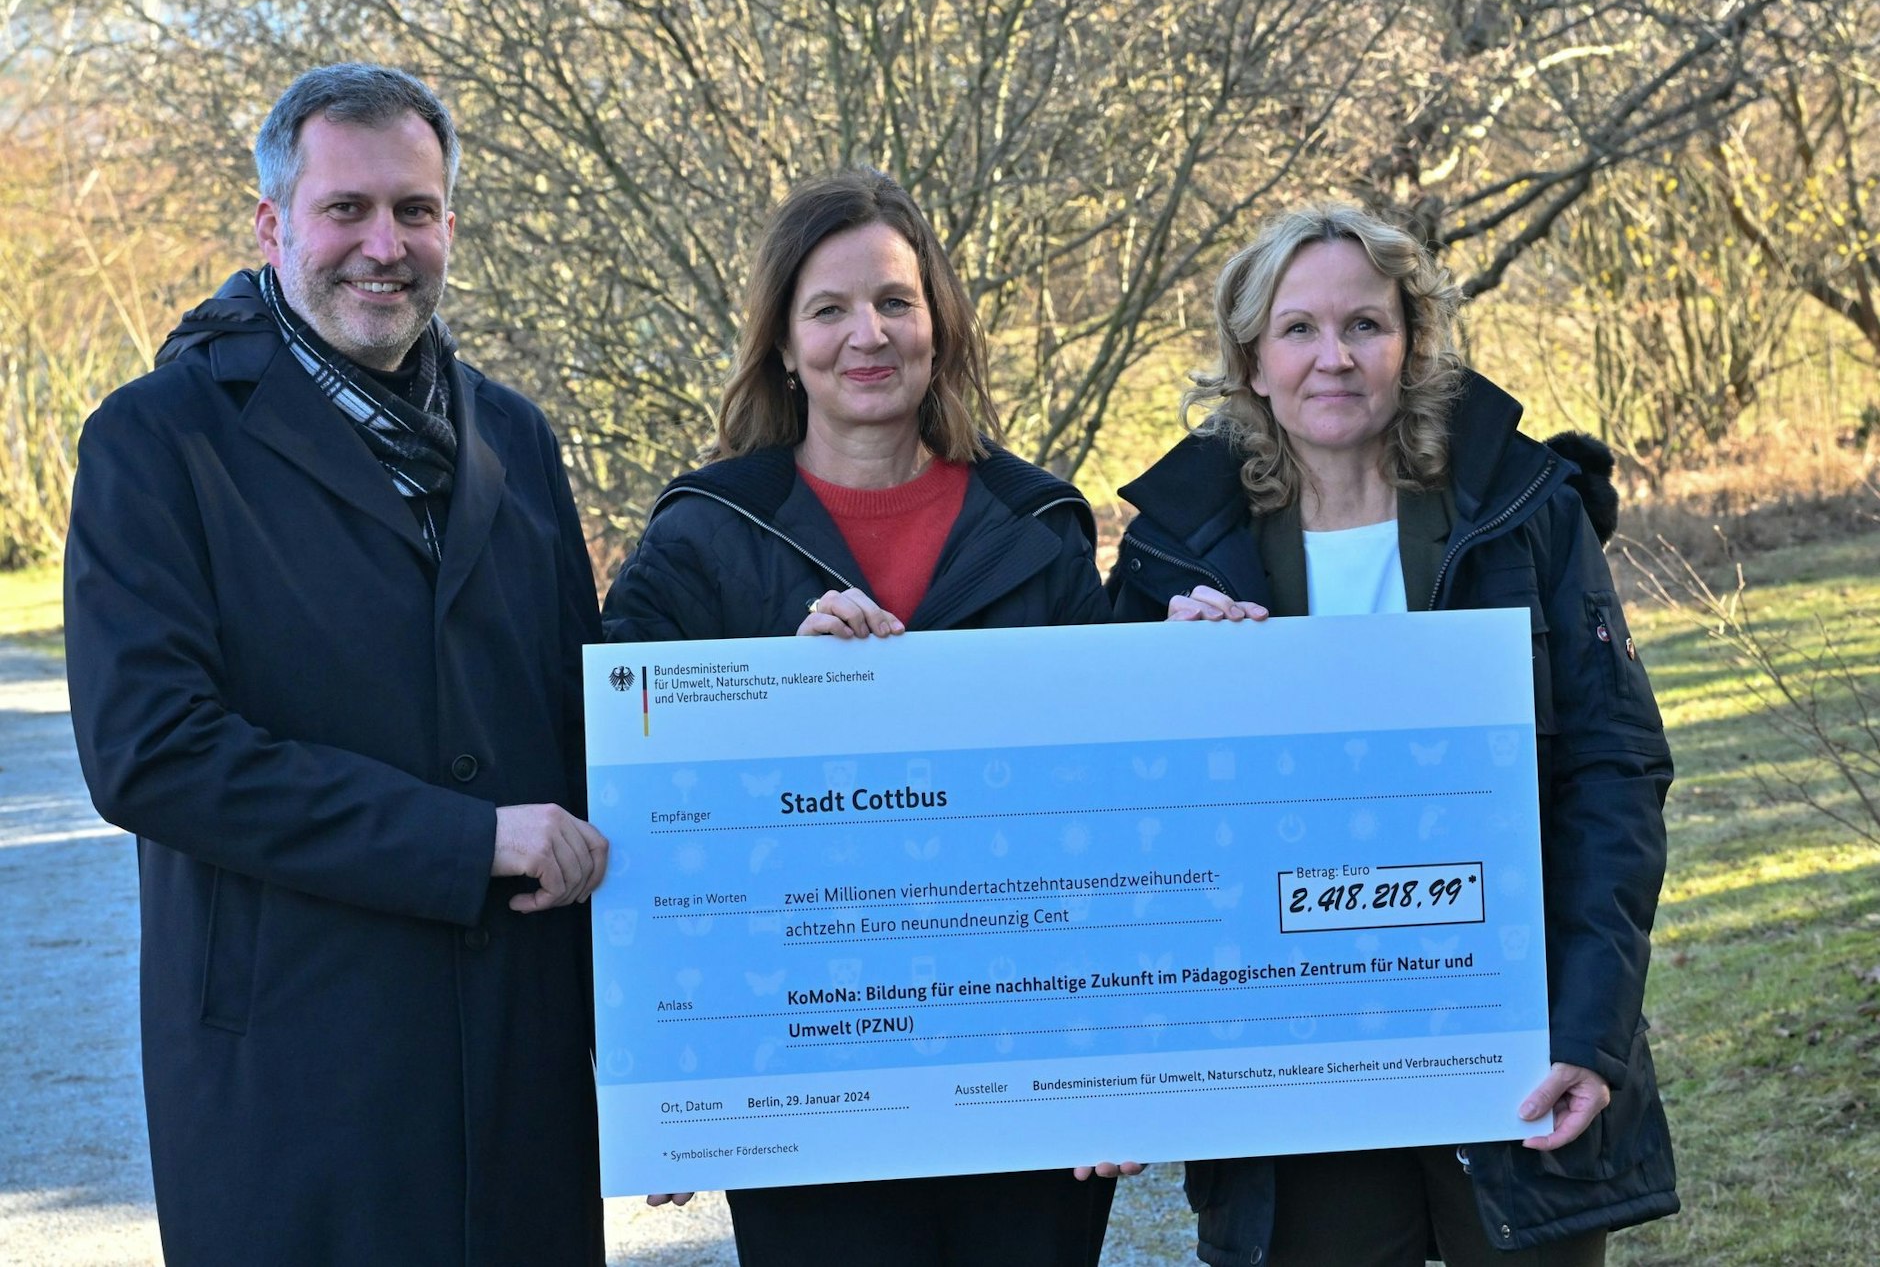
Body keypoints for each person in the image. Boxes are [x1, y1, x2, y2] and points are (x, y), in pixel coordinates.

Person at [64, 64, 607, 1265]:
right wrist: (465, 840)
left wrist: (789, 688)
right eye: (345, 209)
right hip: (299, 1082)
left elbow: (585, 716)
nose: (384, 245)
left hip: (517, 1080)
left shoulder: (515, 436)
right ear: (272, 227)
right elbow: (152, 753)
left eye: (415, 210)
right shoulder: (156, 441)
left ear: (449, 223)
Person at [1108, 202, 1678, 1266]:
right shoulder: (1176, 556)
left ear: (1410, 344)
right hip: (1289, 1064)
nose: (1333, 357)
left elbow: (1614, 770)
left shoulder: (1522, 512)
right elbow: (1117, 824)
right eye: (1298, 329)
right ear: (1251, 359)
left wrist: (1587, 1030)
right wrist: (1167, 690)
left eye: (1364, 325)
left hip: (1508, 1037)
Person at [602, 169, 1127, 1265]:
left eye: (895, 301)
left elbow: (1110, 805)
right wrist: (771, 699)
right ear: (784, 345)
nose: (867, 335)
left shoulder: (1038, 526)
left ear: (939, 325)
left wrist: (1120, 1063)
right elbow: (626, 789)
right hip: (802, 1067)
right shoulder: (702, 535)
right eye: (829, 309)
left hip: (1022, 1062)